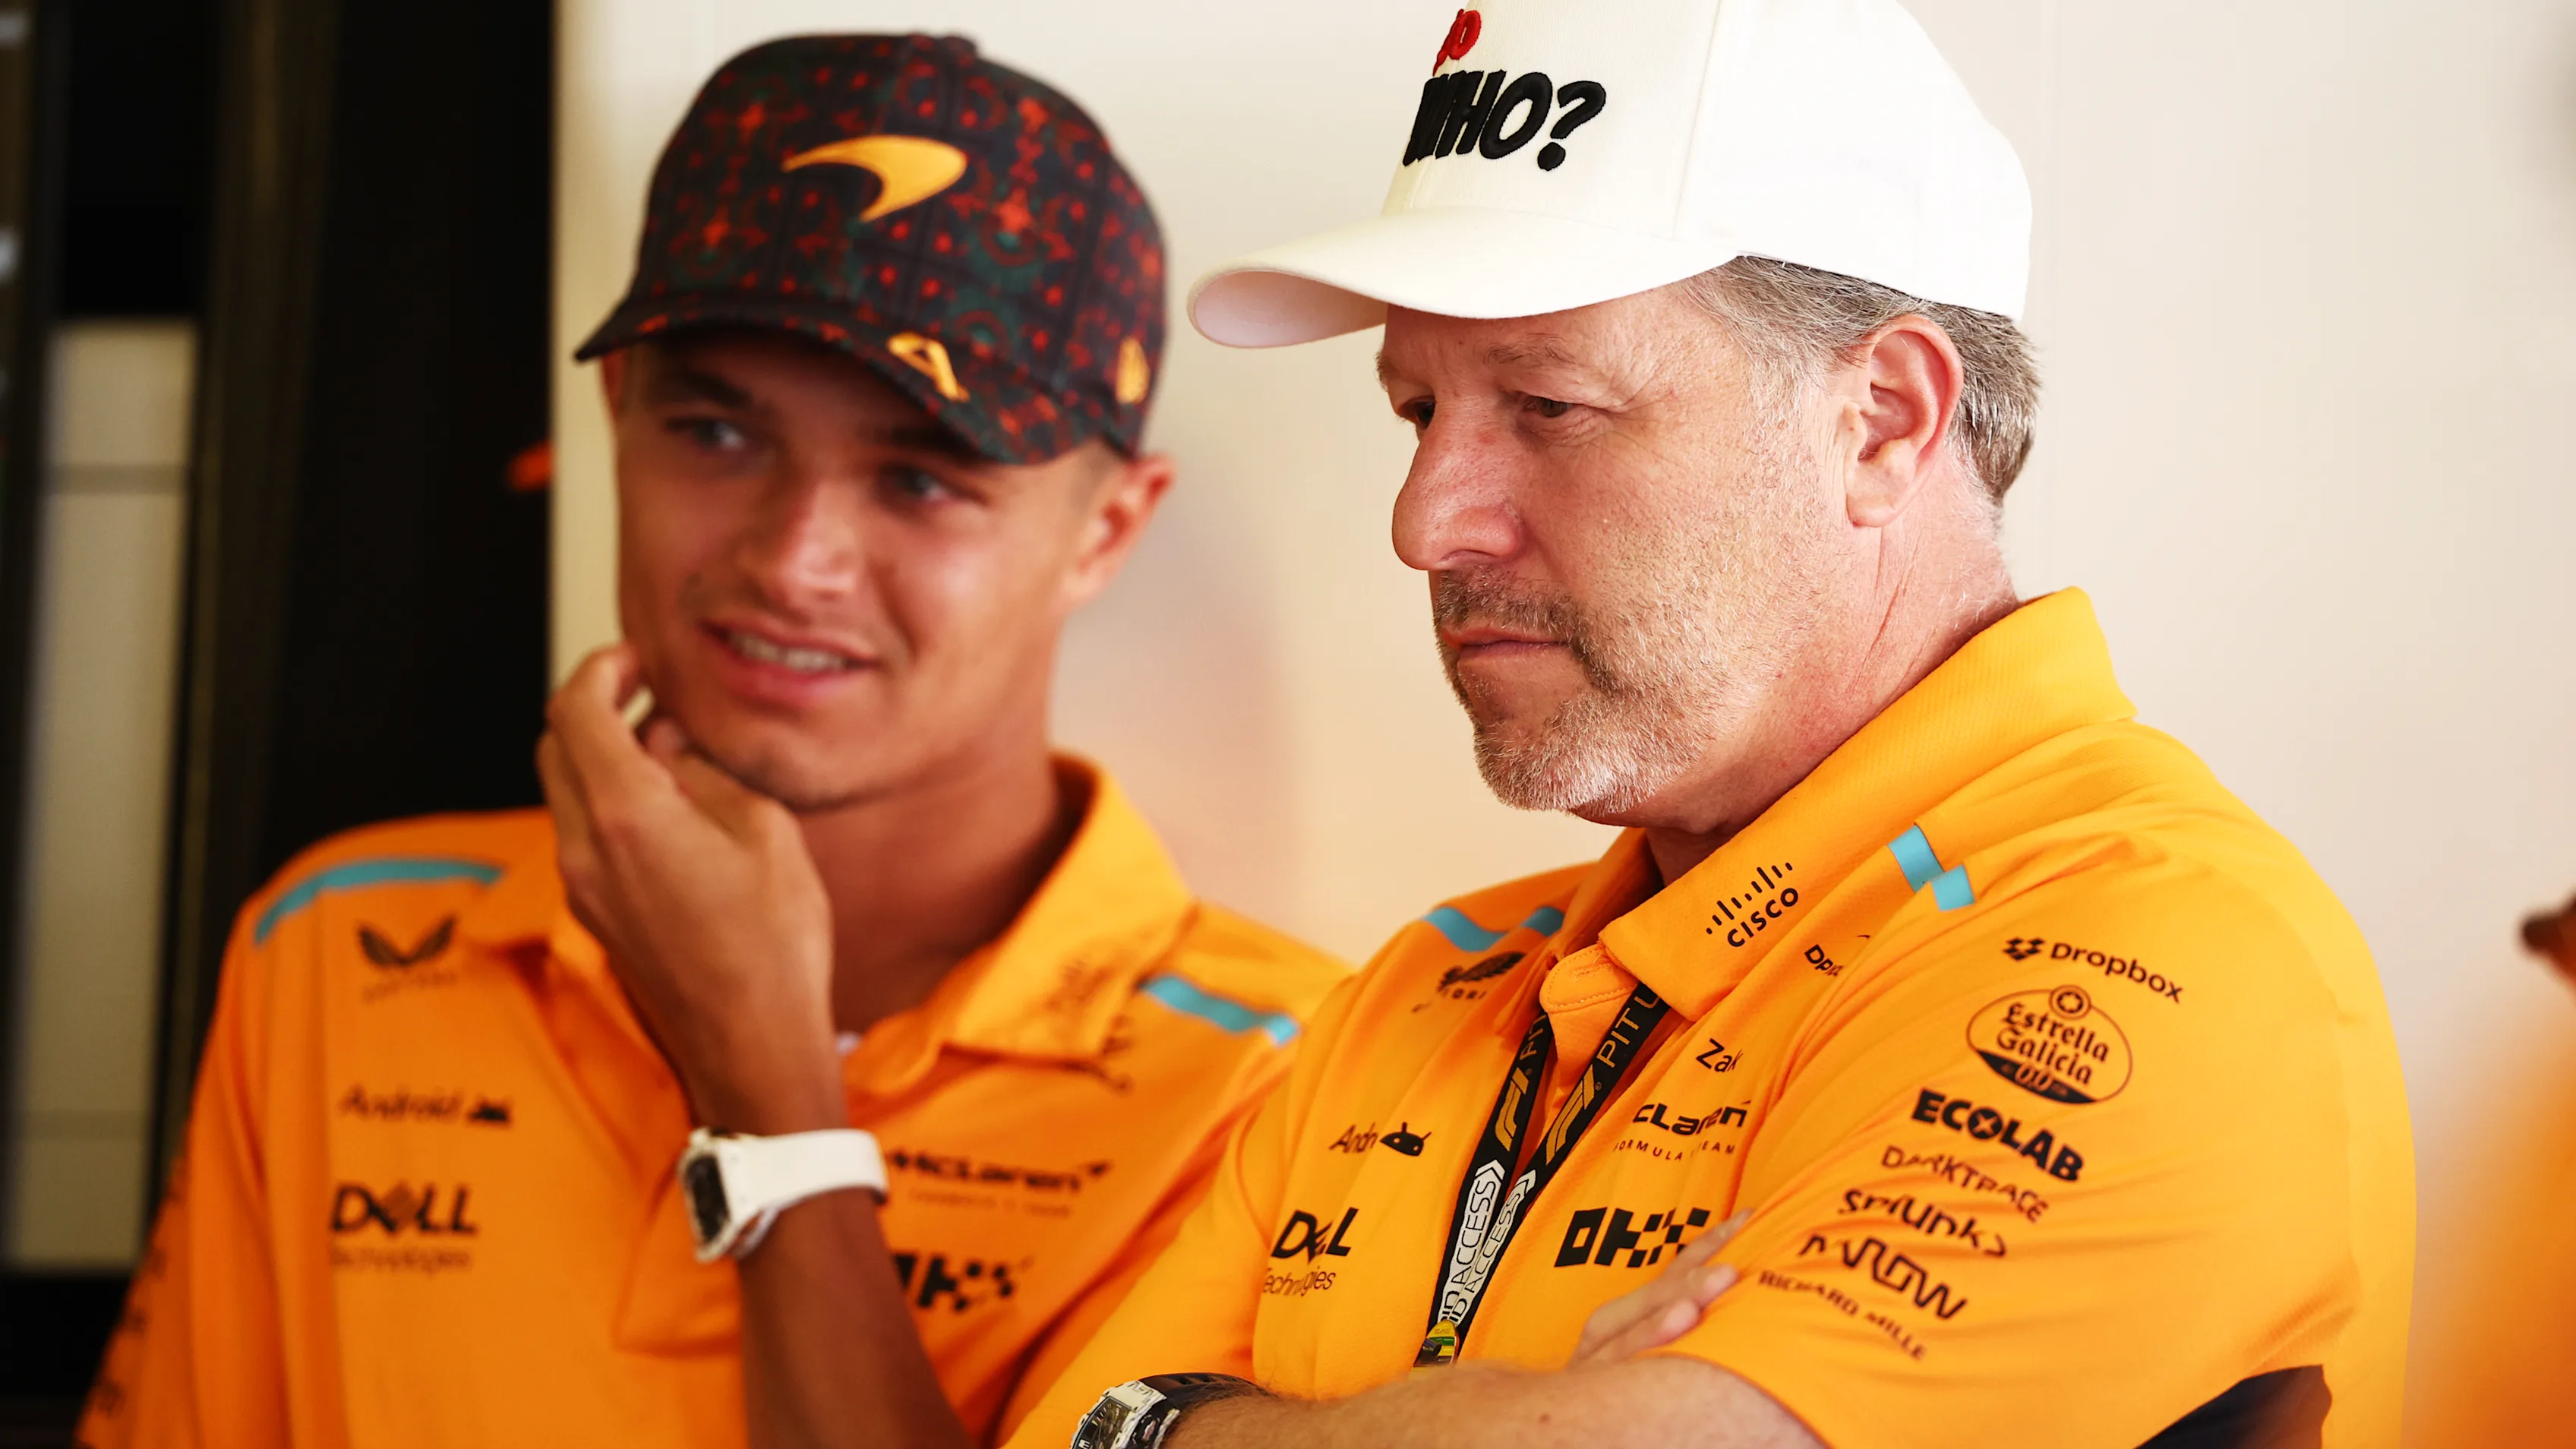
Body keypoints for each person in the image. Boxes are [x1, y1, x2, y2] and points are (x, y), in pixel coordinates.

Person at [1005, 2, 2412, 1447]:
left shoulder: (2156, 946)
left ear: (1880, 421)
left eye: (1549, 404)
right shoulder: (1424, 989)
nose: (1425, 522)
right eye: (1417, 410)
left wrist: (1184, 1424)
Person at [80, 33, 1344, 1449]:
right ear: (618, 417)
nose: (795, 560)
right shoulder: (334, 951)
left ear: (1106, 529)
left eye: (920, 477)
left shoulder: (1300, 1085)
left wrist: (766, 1083)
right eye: (718, 433)